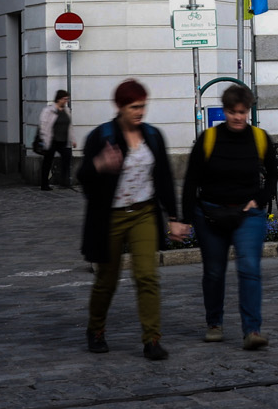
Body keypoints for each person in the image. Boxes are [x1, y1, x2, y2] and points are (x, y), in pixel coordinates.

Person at [80, 78, 189, 359]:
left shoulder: (152, 136)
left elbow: (164, 178)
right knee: (107, 279)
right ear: (120, 107)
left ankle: (152, 339)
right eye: (133, 107)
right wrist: (99, 164)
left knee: (147, 276)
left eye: (142, 106)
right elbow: (83, 180)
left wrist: (173, 217)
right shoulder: (101, 136)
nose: (139, 112)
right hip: (111, 217)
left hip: (143, 214)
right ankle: (96, 329)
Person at [182, 84, 278, 351]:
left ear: (248, 111)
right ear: (224, 111)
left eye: (242, 112)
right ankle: (214, 323)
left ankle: (252, 330)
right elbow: (191, 180)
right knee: (214, 271)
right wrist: (185, 218)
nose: (237, 117)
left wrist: (258, 200)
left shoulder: (260, 138)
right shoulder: (209, 139)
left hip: (248, 214)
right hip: (210, 213)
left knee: (249, 268)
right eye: (232, 112)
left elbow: (273, 175)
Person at [39, 90, 75, 191]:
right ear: (59, 99)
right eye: (64, 99)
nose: (66, 101)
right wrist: (43, 137)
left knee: (67, 157)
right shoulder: (49, 110)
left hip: (63, 140)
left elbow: (70, 126)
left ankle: (64, 181)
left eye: (67, 99)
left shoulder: (66, 111)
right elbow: (44, 124)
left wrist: (73, 139)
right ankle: (44, 184)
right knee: (47, 162)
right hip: (51, 140)